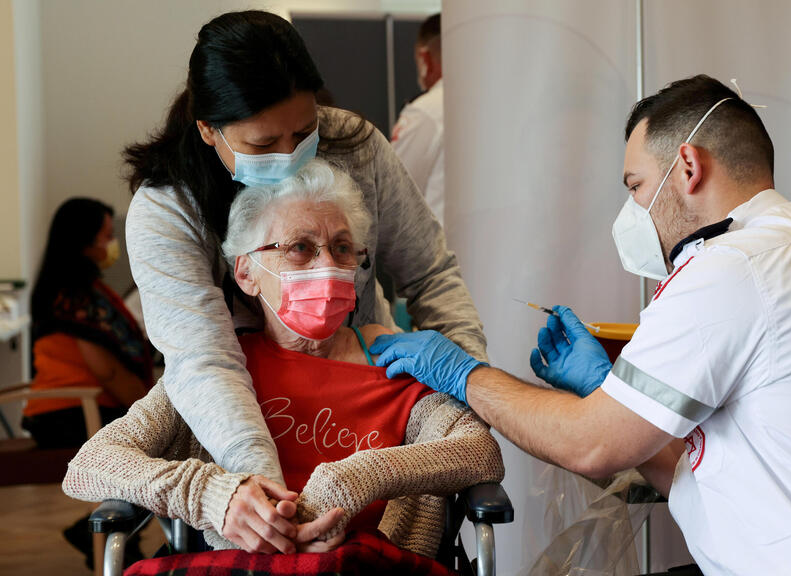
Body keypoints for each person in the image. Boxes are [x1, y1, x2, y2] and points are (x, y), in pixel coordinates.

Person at [370, 75, 791, 574]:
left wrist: (458, 369)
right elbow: (712, 471)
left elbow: (592, 446)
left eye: (636, 186)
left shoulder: (732, 270)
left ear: (688, 168)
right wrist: (603, 389)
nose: (632, 211)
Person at [121, 9, 486, 538]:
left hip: (366, 393)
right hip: (240, 439)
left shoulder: (355, 145)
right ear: (208, 130)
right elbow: (203, 361)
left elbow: (429, 273)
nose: (290, 157)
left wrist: (461, 382)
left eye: (304, 132)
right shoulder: (168, 207)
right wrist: (269, 504)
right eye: (263, 146)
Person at [64, 160, 503, 569]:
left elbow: (479, 451)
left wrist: (356, 478)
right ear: (245, 274)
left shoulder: (397, 361)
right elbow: (92, 464)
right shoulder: (219, 378)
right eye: (300, 248)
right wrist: (214, 494)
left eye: (343, 247)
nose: (328, 265)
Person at [23, 197, 152, 568]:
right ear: (83, 239)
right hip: (67, 412)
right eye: (107, 236)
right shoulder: (74, 296)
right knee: (159, 442)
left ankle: (122, 537)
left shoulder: (79, 289)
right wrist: (148, 407)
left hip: (80, 406)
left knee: (160, 441)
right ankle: (111, 534)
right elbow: (107, 370)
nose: (112, 245)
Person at [390, 13, 445, 224]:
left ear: (425, 59)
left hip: (442, 248)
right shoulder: (503, 105)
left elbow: (394, 190)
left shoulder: (426, 112)